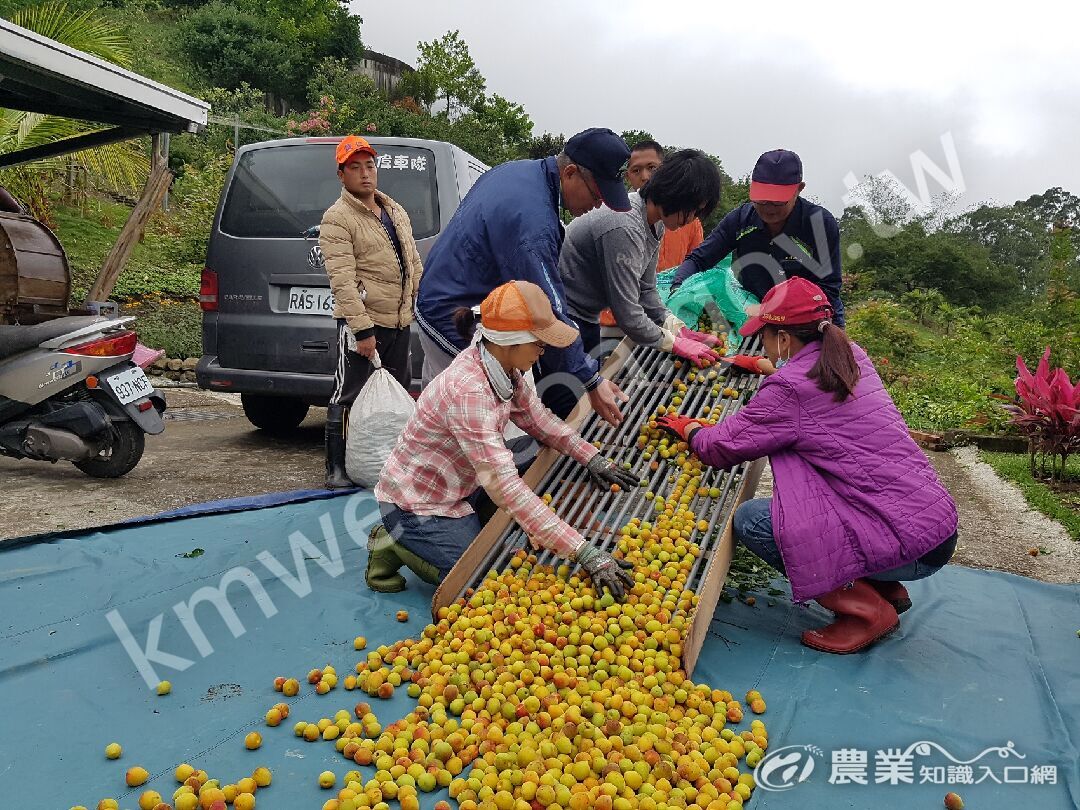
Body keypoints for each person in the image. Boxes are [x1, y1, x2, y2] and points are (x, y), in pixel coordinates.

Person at [657, 278, 957, 654]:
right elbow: (813, 388)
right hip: (934, 529)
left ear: (783, 338)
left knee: (753, 520)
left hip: (906, 543)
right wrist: (763, 367)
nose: (761, 343)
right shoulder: (850, 355)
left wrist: (691, 429)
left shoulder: (788, 391)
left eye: (764, 335)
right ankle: (883, 585)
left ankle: (867, 611)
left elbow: (720, 448)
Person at [370, 281, 640, 597]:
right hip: (420, 506)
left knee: (532, 448)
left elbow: (538, 421)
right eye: (538, 343)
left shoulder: (500, 366)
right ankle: (391, 543)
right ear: (511, 341)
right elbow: (506, 488)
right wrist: (585, 552)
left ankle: (471, 527)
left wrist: (591, 456)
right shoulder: (470, 392)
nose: (543, 351)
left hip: (464, 481)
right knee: (478, 580)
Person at [414, 127, 632, 426]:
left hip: (436, 300)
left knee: (435, 414)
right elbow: (546, 312)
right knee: (479, 425)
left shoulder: (519, 171)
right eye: (597, 195)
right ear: (570, 173)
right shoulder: (533, 224)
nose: (598, 205)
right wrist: (590, 379)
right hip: (454, 318)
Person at [320, 135, 423, 489]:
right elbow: (342, 281)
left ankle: (390, 464)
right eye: (355, 167)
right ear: (341, 174)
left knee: (396, 393)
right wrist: (362, 331)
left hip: (398, 321)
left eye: (370, 165)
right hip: (363, 323)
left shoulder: (394, 210)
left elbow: (413, 263)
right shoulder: (337, 218)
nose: (365, 173)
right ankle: (336, 468)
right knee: (348, 393)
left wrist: (419, 301)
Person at [559, 149, 724, 365]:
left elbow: (645, 289)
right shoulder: (624, 225)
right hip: (563, 316)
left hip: (587, 316)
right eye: (691, 209)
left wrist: (678, 329)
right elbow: (627, 313)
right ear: (675, 193)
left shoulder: (656, 222)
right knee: (567, 386)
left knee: (588, 380)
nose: (691, 218)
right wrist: (674, 344)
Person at [669, 149, 846, 327]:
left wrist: (777, 312)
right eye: (761, 200)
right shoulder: (741, 220)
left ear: (799, 189)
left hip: (809, 318)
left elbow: (828, 288)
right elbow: (698, 259)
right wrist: (678, 288)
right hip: (754, 315)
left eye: (777, 201)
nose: (768, 208)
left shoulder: (818, 224)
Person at [624, 140, 706, 272]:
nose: (645, 177)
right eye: (636, 170)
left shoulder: (688, 218)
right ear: (627, 177)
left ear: (665, 171)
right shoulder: (623, 218)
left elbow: (696, 263)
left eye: (652, 168)